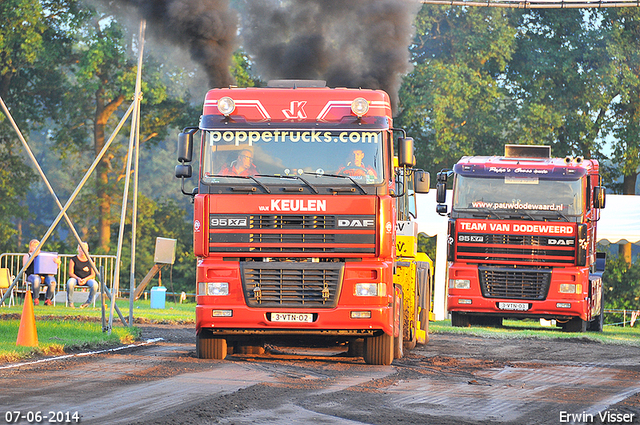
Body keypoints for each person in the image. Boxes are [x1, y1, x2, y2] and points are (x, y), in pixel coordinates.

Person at [22, 239, 60, 306]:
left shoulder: (44, 255)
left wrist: (57, 263)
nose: (36, 248)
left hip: (45, 274)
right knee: (36, 279)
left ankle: (48, 299)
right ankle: (36, 299)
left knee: (52, 282)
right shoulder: (27, 255)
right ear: (30, 247)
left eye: (37, 246)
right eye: (34, 246)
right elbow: (25, 267)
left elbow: (53, 267)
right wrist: (33, 256)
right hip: (32, 274)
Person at [66, 242, 99, 309]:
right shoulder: (73, 259)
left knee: (95, 285)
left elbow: (93, 274)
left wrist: (85, 279)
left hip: (87, 279)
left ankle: (88, 302)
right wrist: (78, 278)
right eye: (81, 248)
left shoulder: (91, 260)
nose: (83, 250)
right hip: (75, 278)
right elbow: (70, 273)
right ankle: (70, 302)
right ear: (78, 249)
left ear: (87, 249)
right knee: (70, 283)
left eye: (85, 248)